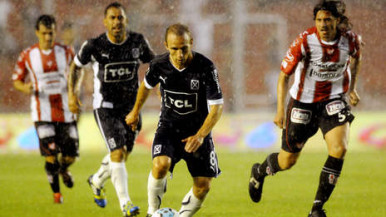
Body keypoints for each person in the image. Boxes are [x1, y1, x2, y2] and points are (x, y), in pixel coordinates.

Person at [248, 1, 362, 217]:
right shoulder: (305, 41)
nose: (323, 24)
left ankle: (317, 209)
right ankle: (259, 171)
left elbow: (357, 58)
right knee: (287, 161)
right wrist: (280, 110)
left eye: (328, 19)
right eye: (319, 20)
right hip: (303, 103)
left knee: (339, 149)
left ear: (337, 20)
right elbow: (283, 76)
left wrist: (353, 88)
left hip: (333, 100)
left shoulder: (350, 40)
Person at [125, 23, 224, 217]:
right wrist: (135, 111)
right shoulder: (158, 65)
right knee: (160, 165)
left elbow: (217, 107)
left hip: (197, 131)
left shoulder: (205, 68)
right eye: (174, 49)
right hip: (169, 128)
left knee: (203, 185)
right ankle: (152, 212)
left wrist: (200, 135)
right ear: (166, 45)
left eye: (184, 48)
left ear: (191, 43)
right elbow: (145, 86)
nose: (179, 55)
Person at [67, 2, 155, 216]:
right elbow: (76, 67)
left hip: (131, 108)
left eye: (120, 18)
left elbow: (155, 65)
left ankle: (96, 180)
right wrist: (72, 93)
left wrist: (160, 88)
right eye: (112, 18)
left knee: (123, 155)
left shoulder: (138, 42)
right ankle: (126, 204)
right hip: (105, 108)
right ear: (105, 21)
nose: (117, 22)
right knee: (117, 152)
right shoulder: (94, 45)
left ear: (126, 20)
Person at [12, 14, 79, 204]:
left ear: (55, 32)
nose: (48, 37)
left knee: (70, 155)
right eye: (44, 33)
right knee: (50, 155)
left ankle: (64, 168)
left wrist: (75, 93)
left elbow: (78, 71)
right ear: (37, 33)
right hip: (42, 113)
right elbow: (16, 80)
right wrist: (25, 87)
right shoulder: (27, 55)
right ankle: (57, 195)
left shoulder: (66, 52)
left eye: (51, 33)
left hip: (66, 112)